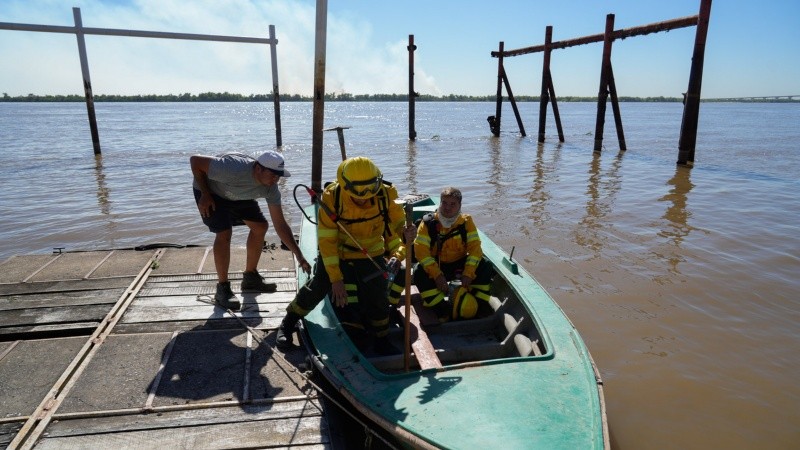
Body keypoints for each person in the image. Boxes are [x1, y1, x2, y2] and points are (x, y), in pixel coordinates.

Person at [276, 156, 410, 354]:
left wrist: (405, 236)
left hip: (371, 252)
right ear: (346, 185)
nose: (364, 196)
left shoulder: (387, 194)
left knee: (378, 295)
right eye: (358, 192)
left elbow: (398, 226)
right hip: (337, 253)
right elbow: (327, 242)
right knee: (319, 285)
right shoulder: (332, 197)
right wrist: (336, 279)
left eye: (369, 190)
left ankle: (381, 339)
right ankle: (289, 322)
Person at [191, 151, 311, 311]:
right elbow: (195, 161)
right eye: (273, 175)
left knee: (260, 226)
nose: (276, 180)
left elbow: (280, 224)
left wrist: (299, 256)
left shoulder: (271, 189)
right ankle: (222, 289)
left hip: (238, 195)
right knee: (224, 232)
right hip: (211, 192)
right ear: (258, 168)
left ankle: (250, 277)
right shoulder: (232, 168)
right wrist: (205, 194)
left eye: (279, 176)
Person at [413, 187, 495, 321]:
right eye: (444, 203)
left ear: (459, 206)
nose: (447, 208)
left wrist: (468, 273)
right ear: (440, 203)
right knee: (418, 272)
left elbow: (475, 249)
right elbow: (421, 253)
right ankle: (441, 309)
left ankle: (480, 304)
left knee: (485, 265)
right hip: (438, 266)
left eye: (452, 204)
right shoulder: (428, 223)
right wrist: (437, 275)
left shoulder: (466, 222)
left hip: (459, 265)